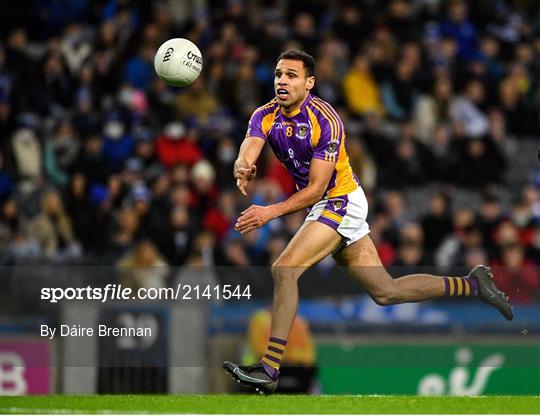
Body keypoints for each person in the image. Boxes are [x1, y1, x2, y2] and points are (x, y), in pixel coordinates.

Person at [222, 50, 513, 395]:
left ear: (309, 82)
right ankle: (474, 284)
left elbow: (316, 189)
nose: (282, 81)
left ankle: (270, 367)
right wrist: (243, 166)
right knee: (386, 292)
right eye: (278, 74)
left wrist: (269, 211)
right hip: (326, 205)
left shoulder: (325, 119)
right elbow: (249, 146)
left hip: (340, 200)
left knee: (284, 269)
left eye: (291, 75)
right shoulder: (264, 114)